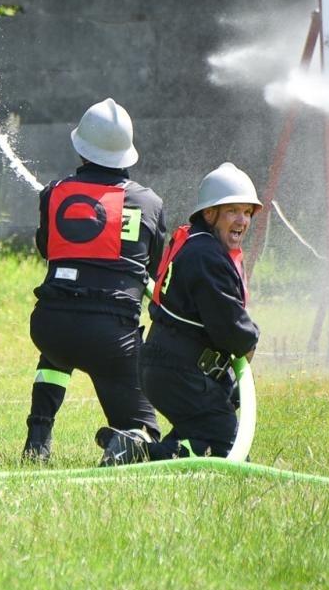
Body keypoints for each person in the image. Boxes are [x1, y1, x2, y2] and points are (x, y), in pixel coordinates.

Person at [22, 98, 167, 463]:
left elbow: (47, 248)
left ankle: (38, 438)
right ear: (127, 154)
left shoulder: (54, 193)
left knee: (58, 347)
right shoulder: (148, 203)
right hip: (111, 340)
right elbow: (157, 269)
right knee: (146, 430)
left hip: (50, 327)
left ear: (81, 148)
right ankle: (127, 442)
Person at [99, 162, 262, 465]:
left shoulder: (199, 246)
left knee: (201, 432)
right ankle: (142, 453)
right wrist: (250, 338)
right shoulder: (206, 256)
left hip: (168, 367)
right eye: (232, 211)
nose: (242, 220)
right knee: (228, 451)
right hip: (181, 371)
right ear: (209, 214)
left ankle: (131, 444)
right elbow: (228, 325)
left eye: (248, 212)